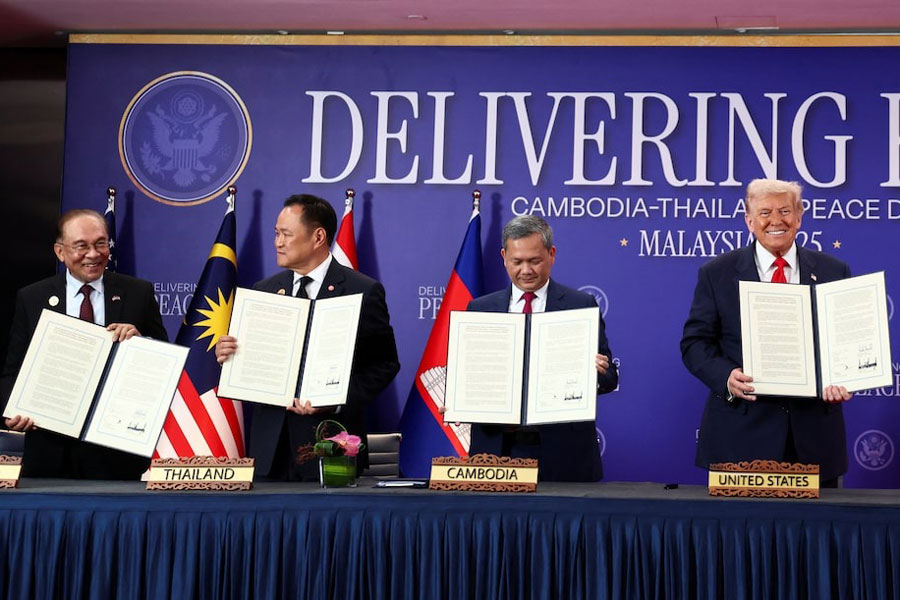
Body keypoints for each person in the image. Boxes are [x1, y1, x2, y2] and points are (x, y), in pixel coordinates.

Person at [681, 178, 852, 487]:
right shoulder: (716, 273)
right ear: (749, 220)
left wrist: (846, 375)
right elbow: (695, 343)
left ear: (799, 217)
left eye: (785, 211)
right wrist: (726, 377)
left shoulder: (833, 271)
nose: (776, 220)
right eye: (764, 212)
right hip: (739, 437)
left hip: (814, 438)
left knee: (816, 522)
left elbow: (846, 341)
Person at [216, 194, 400, 481]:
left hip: (330, 445)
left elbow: (384, 364)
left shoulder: (362, 290)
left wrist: (335, 401)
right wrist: (230, 353)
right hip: (270, 450)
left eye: (286, 234)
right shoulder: (264, 290)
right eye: (276, 233)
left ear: (318, 237)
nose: (278, 242)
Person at [1, 209, 168, 479]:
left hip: (116, 452)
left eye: (101, 243)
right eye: (81, 246)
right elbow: (13, 370)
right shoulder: (32, 298)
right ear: (60, 252)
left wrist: (140, 341)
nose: (93, 254)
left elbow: (163, 363)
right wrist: (13, 412)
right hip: (48, 449)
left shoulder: (138, 293)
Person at [466, 215, 618, 482]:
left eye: (534, 261)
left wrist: (596, 372)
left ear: (552, 254)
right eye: (517, 261)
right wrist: (459, 399)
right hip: (496, 450)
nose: (526, 270)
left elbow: (609, 379)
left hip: (563, 453)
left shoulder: (580, 305)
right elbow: (471, 374)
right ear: (504, 257)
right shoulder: (479, 309)